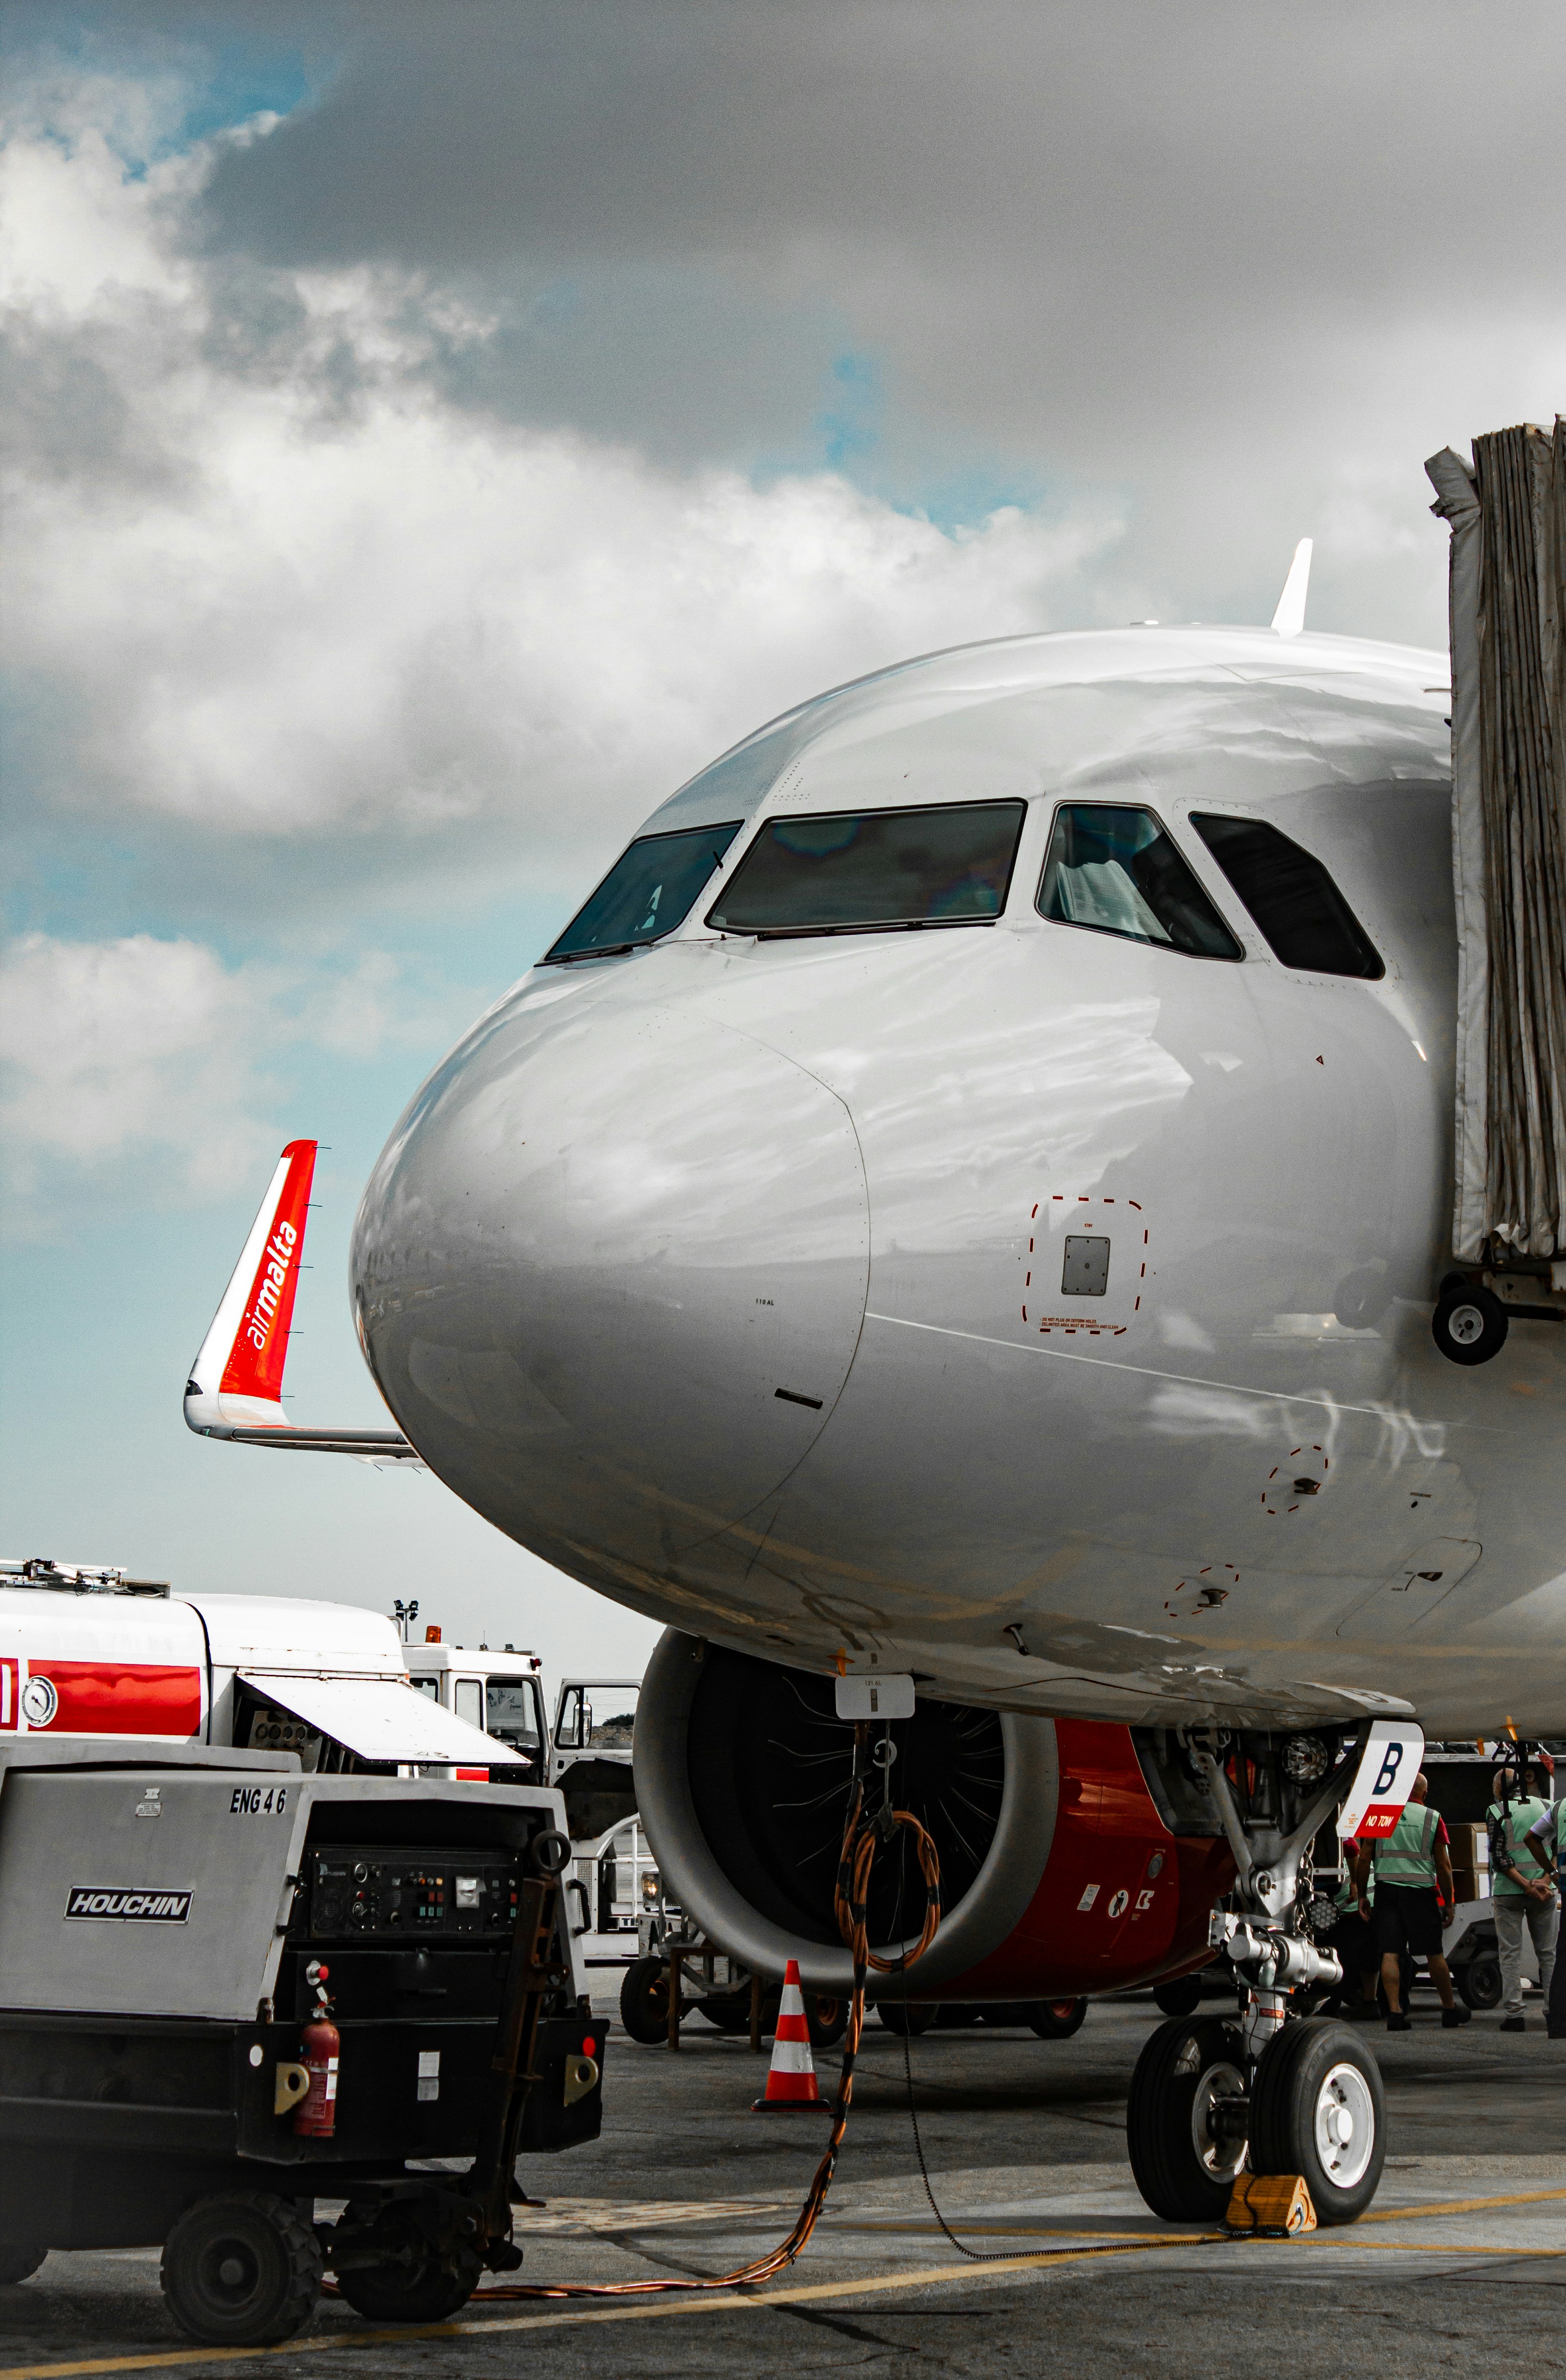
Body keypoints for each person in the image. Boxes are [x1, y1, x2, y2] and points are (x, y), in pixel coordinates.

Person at [1354, 1773, 1471, 2029]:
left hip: (1386, 1892)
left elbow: (1364, 1859)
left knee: (1390, 1952)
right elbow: (1444, 1865)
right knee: (1434, 1953)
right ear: (1425, 1794)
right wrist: (1449, 1902)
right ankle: (1450, 2010)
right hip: (1421, 1894)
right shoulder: (1433, 1818)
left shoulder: (1378, 1813)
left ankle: (1396, 2014)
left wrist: (1363, 1895)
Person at [1490, 1764, 1560, 2033]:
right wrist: (1543, 1881)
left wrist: (1525, 1885)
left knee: (1510, 1955)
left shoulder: (1496, 1811)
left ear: (1499, 1789)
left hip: (1509, 1893)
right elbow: (1556, 1847)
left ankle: (1515, 2016)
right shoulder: (1546, 1806)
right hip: (1544, 1892)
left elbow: (1499, 1858)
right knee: (1548, 1955)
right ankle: (1554, 2011)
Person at [1523, 1791, 1566, 2039]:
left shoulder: (1559, 1809)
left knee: (1563, 1960)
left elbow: (1531, 1838)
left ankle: (1558, 2022)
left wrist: (1552, 1872)